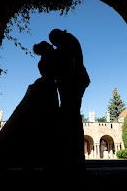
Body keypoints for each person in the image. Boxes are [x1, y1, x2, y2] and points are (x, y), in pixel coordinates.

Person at [0, 41, 59, 169]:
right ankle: (37, 159)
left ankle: (30, 159)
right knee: (40, 122)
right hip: (47, 89)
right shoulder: (52, 57)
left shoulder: (47, 59)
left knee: (34, 122)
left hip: (44, 88)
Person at [49, 29, 90, 172]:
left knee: (71, 116)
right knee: (70, 116)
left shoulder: (68, 42)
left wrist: (69, 79)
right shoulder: (67, 42)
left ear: (57, 38)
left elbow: (71, 62)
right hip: (72, 82)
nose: (54, 45)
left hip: (72, 82)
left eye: (54, 42)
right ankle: (73, 157)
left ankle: (74, 158)